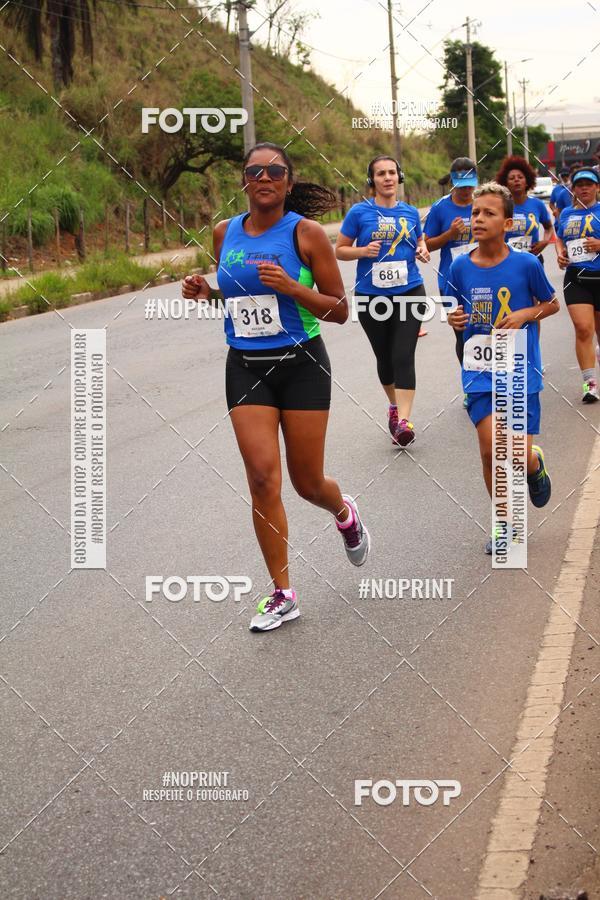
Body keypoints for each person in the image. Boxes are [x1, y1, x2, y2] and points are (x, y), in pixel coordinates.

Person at [182, 142, 370, 633]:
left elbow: (339, 310)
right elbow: (235, 298)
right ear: (244, 181)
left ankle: (343, 511)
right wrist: (208, 293)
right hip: (245, 365)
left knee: (307, 482)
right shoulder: (225, 232)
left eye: (274, 171)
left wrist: (292, 288)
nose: (263, 177)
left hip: (302, 363)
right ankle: (282, 593)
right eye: (254, 171)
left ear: (288, 181)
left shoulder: (307, 235)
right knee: (263, 479)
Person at [445, 182, 558, 554]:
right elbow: (458, 312)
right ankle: (505, 524)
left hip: (520, 368)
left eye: (489, 213)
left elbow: (551, 304)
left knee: (515, 449)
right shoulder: (460, 267)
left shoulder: (525, 264)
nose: (478, 219)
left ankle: (533, 463)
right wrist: (455, 320)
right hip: (479, 369)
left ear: (507, 223)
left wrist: (527, 313)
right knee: (490, 448)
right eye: (475, 212)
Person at [335, 155, 430, 446]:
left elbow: (420, 240)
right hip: (370, 296)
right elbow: (340, 250)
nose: (387, 178)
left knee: (403, 355)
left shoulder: (411, 212)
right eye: (381, 174)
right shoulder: (359, 213)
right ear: (372, 180)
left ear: (399, 177)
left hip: (410, 290)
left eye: (392, 173)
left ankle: (404, 421)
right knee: (385, 359)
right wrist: (363, 251)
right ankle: (393, 405)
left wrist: (423, 249)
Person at [424, 156, 478, 407]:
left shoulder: (484, 203)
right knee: (463, 333)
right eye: (461, 184)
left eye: (470, 183)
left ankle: (492, 381)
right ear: (452, 182)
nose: (466, 189)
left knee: (490, 330)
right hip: (452, 280)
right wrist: (450, 234)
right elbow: (426, 244)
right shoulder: (440, 208)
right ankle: (471, 386)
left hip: (485, 275)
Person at [555, 166, 600, 402]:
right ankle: (590, 384)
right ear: (573, 189)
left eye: (589, 184)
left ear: (597, 187)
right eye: (579, 184)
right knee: (583, 329)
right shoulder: (565, 214)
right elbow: (559, 238)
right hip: (576, 278)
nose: (584, 188)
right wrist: (561, 253)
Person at [495, 156, 555, 263]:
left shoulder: (537, 204)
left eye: (520, 177)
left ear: (527, 181)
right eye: (512, 178)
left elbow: (549, 227)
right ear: (506, 183)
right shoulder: (499, 205)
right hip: (506, 261)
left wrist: (545, 241)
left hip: (533, 260)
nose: (516, 180)